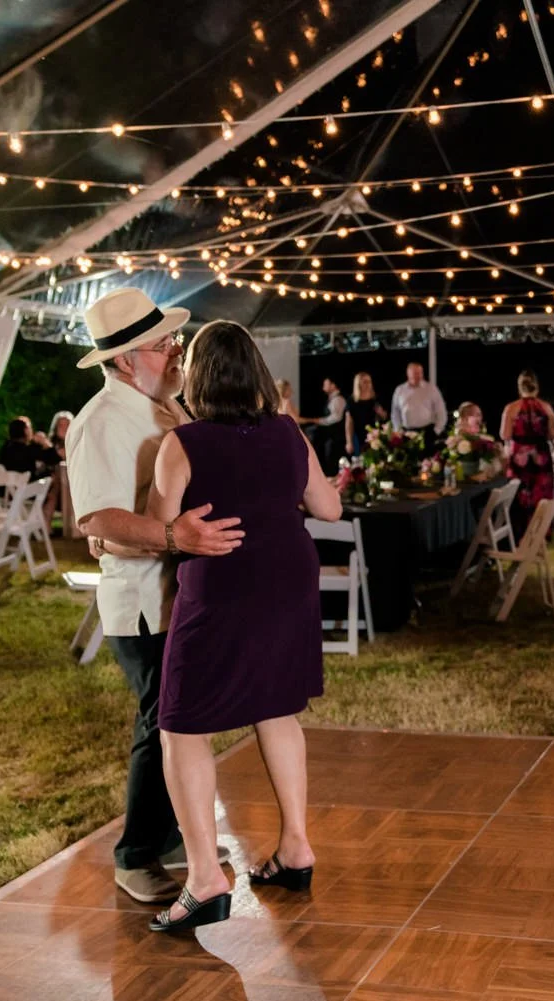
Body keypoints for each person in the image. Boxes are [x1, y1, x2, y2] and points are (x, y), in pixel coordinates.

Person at [145, 320, 342, 933]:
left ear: (195, 376)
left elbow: (163, 531)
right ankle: (296, 847)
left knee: (179, 726)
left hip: (222, 587)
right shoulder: (289, 432)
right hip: (288, 580)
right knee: (277, 710)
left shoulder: (182, 443)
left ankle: (205, 879)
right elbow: (329, 509)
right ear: (257, 370)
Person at [65, 288, 245, 907]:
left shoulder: (172, 410)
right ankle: (135, 854)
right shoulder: (100, 423)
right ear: (122, 361)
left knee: (181, 722)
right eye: (161, 345)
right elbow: (97, 520)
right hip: (142, 604)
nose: (175, 352)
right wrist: (173, 535)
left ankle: (172, 840)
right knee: (160, 724)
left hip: (181, 596)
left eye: (172, 341)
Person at [501, 370, 554, 540]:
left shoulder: (511, 408)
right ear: (536, 387)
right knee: (542, 493)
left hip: (520, 456)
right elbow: (552, 434)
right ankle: (541, 532)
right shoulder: (546, 408)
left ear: (519, 388)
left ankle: (521, 533)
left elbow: (505, 434)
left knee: (520, 494)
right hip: (541, 456)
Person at [391, 362, 447, 457]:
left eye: (419, 372)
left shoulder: (431, 389)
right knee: (409, 462)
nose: (417, 375)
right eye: (414, 373)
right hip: (407, 433)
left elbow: (441, 412)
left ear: (422, 373)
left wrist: (437, 430)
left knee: (428, 462)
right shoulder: (400, 390)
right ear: (408, 373)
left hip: (427, 432)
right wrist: (398, 430)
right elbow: (395, 413)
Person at [344, 371, 388, 458]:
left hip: (376, 436)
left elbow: (385, 417)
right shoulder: (352, 401)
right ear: (358, 384)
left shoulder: (376, 398)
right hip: (359, 436)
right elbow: (349, 423)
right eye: (365, 382)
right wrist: (349, 442)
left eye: (369, 381)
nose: (368, 384)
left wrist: (381, 413)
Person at [310, 377, 346, 473]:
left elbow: (336, 417)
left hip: (336, 438)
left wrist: (319, 421)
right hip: (330, 438)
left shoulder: (338, 399)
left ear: (333, 385)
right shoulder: (332, 399)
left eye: (325, 385)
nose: (323, 388)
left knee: (333, 464)